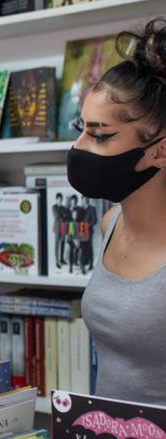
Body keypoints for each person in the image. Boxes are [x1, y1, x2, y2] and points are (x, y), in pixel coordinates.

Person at [72, 17, 166, 405]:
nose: (78, 147)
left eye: (99, 135)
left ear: (160, 150)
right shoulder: (110, 224)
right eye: (81, 129)